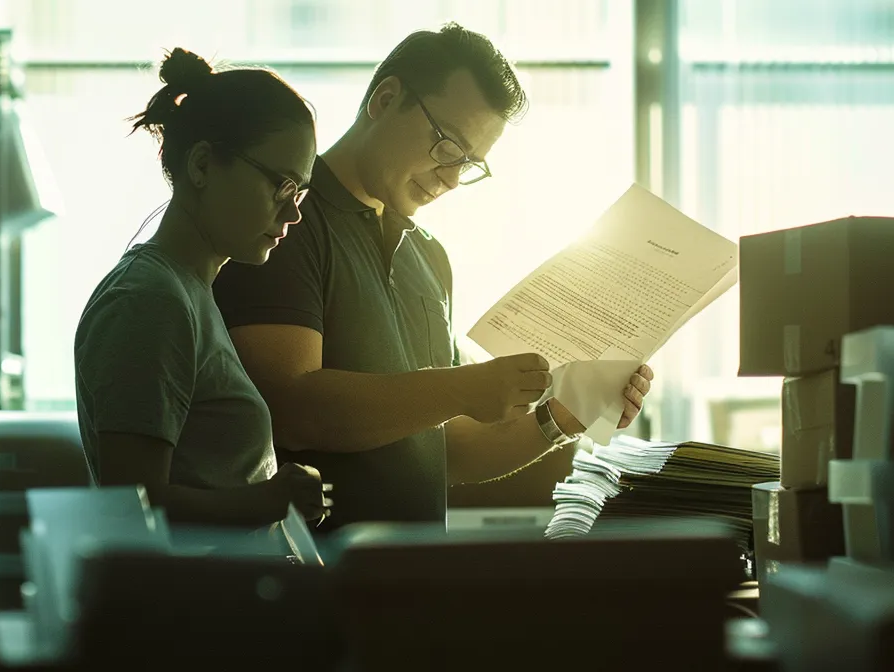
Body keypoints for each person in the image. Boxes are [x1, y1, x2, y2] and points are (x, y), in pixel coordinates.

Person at [212, 24, 655, 530]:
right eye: (447, 145)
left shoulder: (429, 258)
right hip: (319, 581)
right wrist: (462, 388)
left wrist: (564, 417)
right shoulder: (284, 223)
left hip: (414, 583)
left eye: (470, 164)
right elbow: (294, 408)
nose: (451, 177)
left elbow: (450, 452)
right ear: (385, 99)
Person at [74, 48, 330, 529]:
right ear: (203, 165)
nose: (294, 212)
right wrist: (268, 501)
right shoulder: (150, 299)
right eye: (281, 186)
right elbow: (132, 509)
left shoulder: (188, 291)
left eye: (301, 192)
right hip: (188, 602)